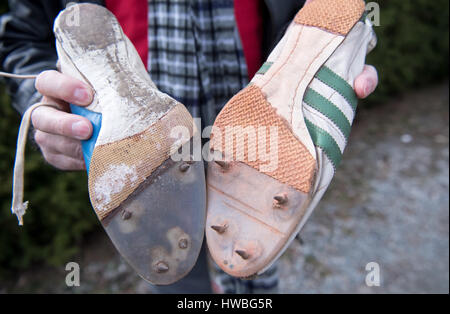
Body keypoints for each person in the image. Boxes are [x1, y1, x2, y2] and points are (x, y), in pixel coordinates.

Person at [0, 0, 378, 293]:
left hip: (243, 146)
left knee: (238, 266)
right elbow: (23, 37)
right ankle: (319, 70)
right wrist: (42, 96)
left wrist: (330, 32)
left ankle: (309, 65)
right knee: (185, 271)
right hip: (167, 167)